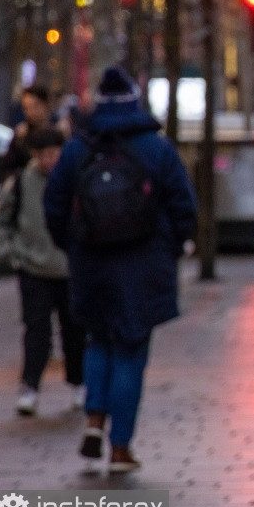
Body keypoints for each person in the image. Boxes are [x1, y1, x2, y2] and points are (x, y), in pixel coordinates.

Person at [43, 67, 198, 474]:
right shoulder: (157, 148)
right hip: (144, 264)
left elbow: (54, 203)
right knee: (131, 347)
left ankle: (94, 418)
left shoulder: (78, 148)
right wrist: (170, 247)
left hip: (91, 262)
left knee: (98, 339)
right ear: (134, 100)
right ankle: (121, 448)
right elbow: (185, 206)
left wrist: (73, 245)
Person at [0, 128, 85, 417]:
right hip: (33, 268)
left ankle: (79, 382)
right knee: (36, 330)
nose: (50, 160)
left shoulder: (75, 179)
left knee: (75, 330)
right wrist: (11, 252)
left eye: (55, 154)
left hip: (70, 269)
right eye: (44, 155)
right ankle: (29, 387)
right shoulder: (21, 183)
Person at [0, 86, 56, 183]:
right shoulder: (21, 136)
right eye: (26, 108)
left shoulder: (57, 133)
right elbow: (8, 168)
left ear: (46, 105)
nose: (30, 112)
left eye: (35, 106)